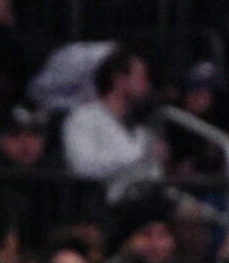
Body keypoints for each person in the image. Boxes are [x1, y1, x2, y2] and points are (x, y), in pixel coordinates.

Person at [60, 45, 159, 189]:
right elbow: (82, 167)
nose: (146, 85)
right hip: (100, 200)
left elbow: (152, 175)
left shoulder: (142, 129)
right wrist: (138, 156)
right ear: (119, 80)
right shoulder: (83, 118)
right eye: (141, 77)